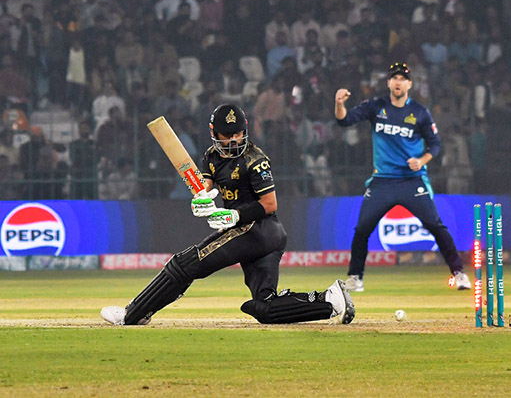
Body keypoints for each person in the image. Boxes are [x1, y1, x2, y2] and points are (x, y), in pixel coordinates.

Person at [101, 103, 354, 326]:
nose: (234, 139)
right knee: (265, 306)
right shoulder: (211, 157)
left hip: (259, 229)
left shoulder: (255, 160)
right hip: (256, 234)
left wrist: (232, 216)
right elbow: (205, 187)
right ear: (214, 134)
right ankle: (330, 301)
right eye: (227, 134)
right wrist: (202, 200)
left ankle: (133, 314)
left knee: (185, 263)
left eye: (238, 133)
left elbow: (269, 205)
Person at [334, 62, 471, 292]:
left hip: (412, 181)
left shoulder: (419, 112)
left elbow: (435, 144)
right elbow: (344, 120)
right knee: (362, 229)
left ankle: (459, 273)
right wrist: (339, 104)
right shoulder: (376, 106)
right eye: (394, 78)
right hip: (382, 182)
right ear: (388, 83)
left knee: (435, 225)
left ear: (409, 84)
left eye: (402, 78)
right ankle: (355, 278)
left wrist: (422, 161)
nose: (398, 82)